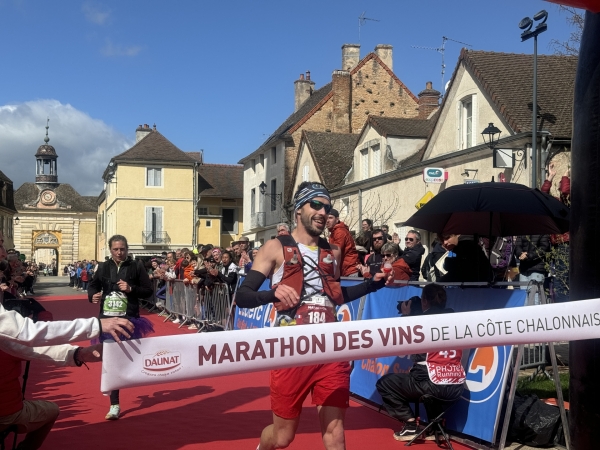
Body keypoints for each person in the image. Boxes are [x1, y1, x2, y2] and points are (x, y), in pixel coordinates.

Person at [235, 181, 393, 450]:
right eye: (316, 205)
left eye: (327, 207)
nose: (323, 212)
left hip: (330, 349)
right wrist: (273, 294)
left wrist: (372, 285)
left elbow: (335, 297)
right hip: (291, 350)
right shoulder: (274, 247)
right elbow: (243, 296)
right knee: (283, 438)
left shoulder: (333, 251)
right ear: (299, 210)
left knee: (336, 434)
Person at [376, 284, 466, 441]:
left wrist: (406, 316)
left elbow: (400, 343)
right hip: (456, 386)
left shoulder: (421, 323)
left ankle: (410, 425)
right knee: (427, 382)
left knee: (385, 383)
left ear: (424, 301)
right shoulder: (456, 320)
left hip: (431, 383)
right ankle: (436, 428)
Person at [88, 234, 154, 420]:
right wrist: (93, 296)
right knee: (112, 360)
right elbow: (92, 286)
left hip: (129, 318)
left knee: (129, 360)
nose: (119, 252)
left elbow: (148, 291)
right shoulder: (102, 267)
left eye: (122, 249)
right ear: (110, 250)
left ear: (127, 249)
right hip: (108, 320)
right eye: (116, 249)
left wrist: (131, 289)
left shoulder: (136, 266)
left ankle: (127, 382)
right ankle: (115, 404)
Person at [0, 338, 103, 449]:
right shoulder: (5, 345)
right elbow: (36, 348)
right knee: (53, 410)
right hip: (8, 413)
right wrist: (80, 354)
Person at [514, 235, 551, 304]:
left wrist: (528, 255)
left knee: (535, 298)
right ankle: (525, 314)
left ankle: (535, 314)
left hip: (537, 268)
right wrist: (520, 253)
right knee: (523, 297)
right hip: (524, 269)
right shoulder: (522, 229)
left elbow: (543, 248)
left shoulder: (543, 229)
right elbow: (517, 245)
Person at [326, 209, 359, 277]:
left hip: (350, 270)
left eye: (330, 218)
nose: (327, 221)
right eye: (326, 218)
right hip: (345, 270)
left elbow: (335, 252)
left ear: (337, 219)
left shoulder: (339, 232)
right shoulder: (334, 232)